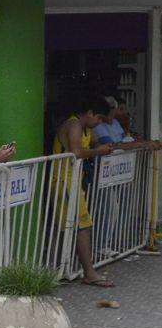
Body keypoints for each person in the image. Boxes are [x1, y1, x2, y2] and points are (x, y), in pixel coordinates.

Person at [52, 96, 115, 288]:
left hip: (72, 181)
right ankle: (89, 272)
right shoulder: (74, 125)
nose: (99, 123)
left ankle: (60, 269)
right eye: (99, 118)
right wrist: (98, 151)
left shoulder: (85, 127)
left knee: (70, 227)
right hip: (64, 180)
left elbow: (94, 144)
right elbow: (77, 152)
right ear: (89, 113)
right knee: (82, 226)